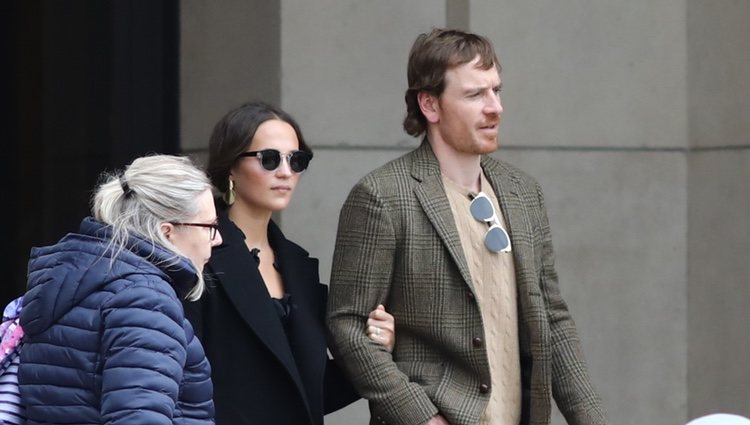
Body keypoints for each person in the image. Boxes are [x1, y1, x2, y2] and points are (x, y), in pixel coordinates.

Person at [327, 28, 609, 425]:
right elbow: (348, 324)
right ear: (430, 104)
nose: (495, 107)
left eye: (496, 90)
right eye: (475, 95)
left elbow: (553, 320)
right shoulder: (382, 196)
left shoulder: (523, 193)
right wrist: (421, 417)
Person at [184, 100, 396, 425]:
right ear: (230, 168)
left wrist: (374, 348)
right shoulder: (200, 255)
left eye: (296, 160)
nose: (285, 172)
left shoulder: (299, 267)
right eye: (269, 159)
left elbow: (309, 394)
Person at [18, 154, 219, 424]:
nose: (217, 239)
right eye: (210, 227)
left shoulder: (76, 282)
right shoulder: (145, 300)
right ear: (167, 231)